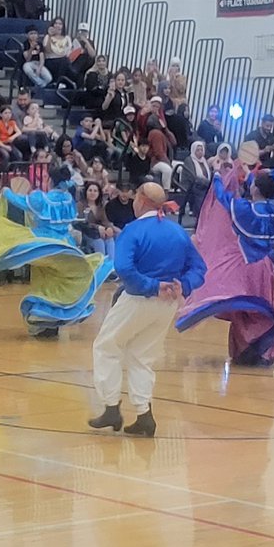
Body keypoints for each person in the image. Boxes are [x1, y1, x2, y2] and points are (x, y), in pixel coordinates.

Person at [88, 182, 207, 437]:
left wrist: (153, 285)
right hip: (167, 304)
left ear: (141, 200)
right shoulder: (177, 231)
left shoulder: (133, 230)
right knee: (143, 355)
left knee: (106, 346)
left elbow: (124, 268)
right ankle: (144, 415)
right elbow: (199, 269)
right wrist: (182, 285)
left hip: (139, 299)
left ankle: (111, 407)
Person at [176, 161, 274, 365]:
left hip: (248, 265)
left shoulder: (247, 210)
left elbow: (224, 197)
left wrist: (218, 176)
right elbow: (259, 189)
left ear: (255, 188)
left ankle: (251, 348)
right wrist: (247, 173)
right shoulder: (272, 210)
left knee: (242, 306)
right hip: (267, 267)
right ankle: (258, 350)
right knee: (262, 307)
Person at [0, 166, 113, 339]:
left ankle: (46, 322)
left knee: (44, 281)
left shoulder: (42, 198)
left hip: (45, 245)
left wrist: (6, 191)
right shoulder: (69, 199)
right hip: (67, 247)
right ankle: (51, 322)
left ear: (51, 180)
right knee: (57, 283)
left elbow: (20, 202)